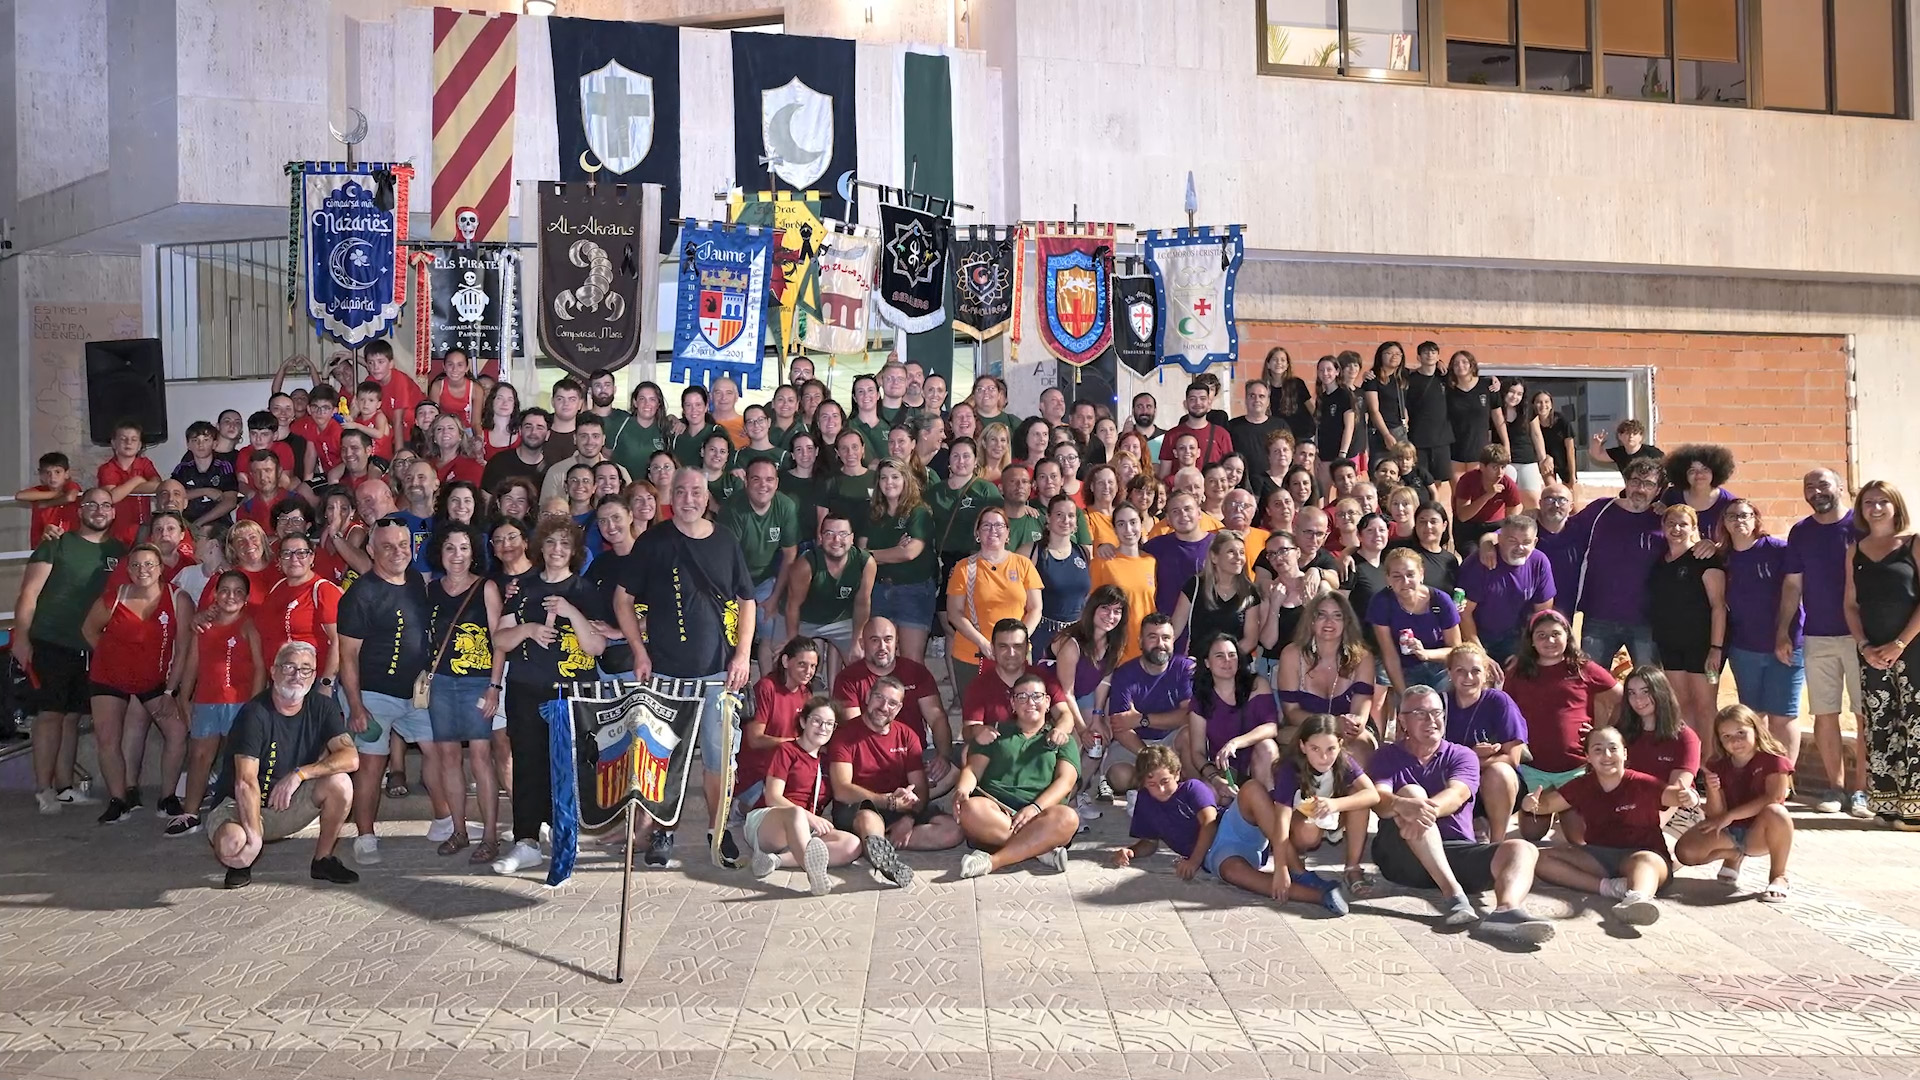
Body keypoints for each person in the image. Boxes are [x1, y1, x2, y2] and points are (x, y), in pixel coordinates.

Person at [616, 468, 757, 869]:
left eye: (697, 491)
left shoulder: (725, 540)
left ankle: (718, 829)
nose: (689, 499)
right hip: (666, 673)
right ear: (671, 496)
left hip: (717, 672)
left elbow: (747, 600)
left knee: (719, 760)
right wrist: (639, 652)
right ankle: (664, 830)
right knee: (664, 758)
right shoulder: (652, 542)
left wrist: (742, 655)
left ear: (707, 496)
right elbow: (622, 599)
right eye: (681, 492)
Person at [1367, 685, 1555, 942]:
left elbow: (1457, 795)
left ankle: (1506, 911)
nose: (1431, 720)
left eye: (1437, 713)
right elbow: (1379, 799)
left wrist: (1422, 812)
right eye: (1420, 713)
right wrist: (1403, 804)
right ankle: (1454, 895)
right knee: (1412, 792)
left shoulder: (1462, 754)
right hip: (1401, 854)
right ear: (1402, 720)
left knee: (1523, 849)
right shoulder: (1386, 755)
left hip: (1456, 851)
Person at [491, 518, 605, 874]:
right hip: (526, 688)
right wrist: (529, 629)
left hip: (570, 694)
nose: (557, 550)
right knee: (527, 764)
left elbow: (597, 647)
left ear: (575, 552)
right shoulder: (523, 587)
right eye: (551, 542)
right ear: (540, 546)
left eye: (565, 544)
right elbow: (499, 639)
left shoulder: (585, 590)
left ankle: (563, 833)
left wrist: (570, 612)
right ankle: (526, 841)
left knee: (567, 765)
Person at [204, 642, 360, 889]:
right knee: (233, 843)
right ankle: (241, 864)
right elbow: (245, 782)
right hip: (239, 806)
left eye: (305, 669)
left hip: (286, 802)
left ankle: (323, 859)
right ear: (273, 671)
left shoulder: (322, 707)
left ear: (313, 676)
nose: (297, 675)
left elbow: (350, 758)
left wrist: (300, 774)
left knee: (341, 783)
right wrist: (254, 839)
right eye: (289, 667)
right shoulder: (254, 713)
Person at [335, 517, 433, 866]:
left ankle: (445, 822)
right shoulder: (359, 595)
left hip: (415, 694)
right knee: (372, 768)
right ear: (371, 549)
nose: (397, 552)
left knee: (440, 753)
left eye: (403, 545)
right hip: (372, 695)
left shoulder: (416, 581)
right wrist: (356, 706)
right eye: (387, 546)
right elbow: (347, 656)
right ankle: (365, 836)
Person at [17, 489, 121, 814]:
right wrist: (21, 637)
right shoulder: (56, 543)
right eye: (92, 504)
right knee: (50, 714)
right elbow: (29, 592)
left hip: (90, 647)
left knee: (72, 716)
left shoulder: (119, 551)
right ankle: (44, 789)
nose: (99, 510)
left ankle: (64, 788)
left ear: (113, 512)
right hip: (52, 640)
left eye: (106, 505)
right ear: (80, 510)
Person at [1524, 726, 1683, 925]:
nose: (1606, 755)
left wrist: (1687, 796)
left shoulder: (1642, 783)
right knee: (1540, 858)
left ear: (1625, 753)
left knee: (1645, 862)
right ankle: (1610, 888)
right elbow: (1546, 805)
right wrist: (1530, 804)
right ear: (1588, 757)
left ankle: (1637, 899)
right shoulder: (1582, 785)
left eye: (1613, 748)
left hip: (1645, 854)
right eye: (1598, 750)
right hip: (1599, 856)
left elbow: (1672, 795)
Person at [80, 544, 192, 823]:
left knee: (177, 732)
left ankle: (167, 797)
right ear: (128, 570)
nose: (143, 570)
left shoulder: (178, 599)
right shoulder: (115, 597)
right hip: (108, 678)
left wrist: (170, 691)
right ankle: (119, 800)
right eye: (136, 565)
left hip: (154, 681)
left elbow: (182, 650)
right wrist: (112, 657)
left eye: (149, 564)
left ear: (160, 568)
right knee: (108, 739)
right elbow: (89, 629)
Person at [1783, 468, 1868, 817]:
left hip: (1861, 637)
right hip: (1817, 635)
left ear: (1840, 487)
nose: (1816, 491)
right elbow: (1792, 586)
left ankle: (1861, 791)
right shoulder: (1801, 532)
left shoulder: (1861, 527)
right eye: (1809, 486)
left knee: (1864, 715)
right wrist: (1784, 631)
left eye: (1823, 484)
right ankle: (1835, 788)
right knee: (1825, 713)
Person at [826, 676, 962, 885]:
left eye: (892, 703)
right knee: (868, 819)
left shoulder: (907, 735)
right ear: (868, 697)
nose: (883, 707)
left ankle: (880, 844)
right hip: (860, 806)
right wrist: (887, 800)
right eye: (879, 698)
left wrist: (908, 819)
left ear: (899, 708)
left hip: (899, 807)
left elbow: (920, 789)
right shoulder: (844, 735)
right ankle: (883, 858)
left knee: (953, 830)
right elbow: (842, 789)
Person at [422, 523, 503, 863]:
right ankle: (459, 830)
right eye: (450, 548)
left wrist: (494, 686)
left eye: (464, 548)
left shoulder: (486, 588)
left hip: (477, 682)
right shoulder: (431, 589)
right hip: (441, 682)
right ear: (440, 552)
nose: (457, 555)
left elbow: (499, 641)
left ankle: (490, 836)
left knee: (481, 756)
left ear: (474, 553)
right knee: (448, 757)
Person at [1503, 610, 1620, 841]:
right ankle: (1550, 806)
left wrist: (1602, 732)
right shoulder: (1518, 672)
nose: (1549, 640)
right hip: (1534, 768)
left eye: (1556, 634)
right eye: (1542, 635)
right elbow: (1506, 711)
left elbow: (1621, 698)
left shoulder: (1583, 668)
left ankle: (1566, 809)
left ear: (1568, 636)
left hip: (1575, 769)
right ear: (1531, 641)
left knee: (1580, 838)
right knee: (1531, 833)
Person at [955, 670, 1080, 877]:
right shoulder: (994, 732)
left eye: (1037, 696)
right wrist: (962, 789)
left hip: (1042, 813)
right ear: (1012, 703)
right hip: (997, 812)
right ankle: (1039, 848)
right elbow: (973, 769)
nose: (1030, 702)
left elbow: (1065, 782)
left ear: (1048, 702)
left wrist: (1035, 808)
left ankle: (993, 861)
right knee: (970, 809)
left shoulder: (1062, 739)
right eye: (1022, 696)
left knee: (1068, 818)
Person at [1243, 713, 1380, 903]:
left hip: (1330, 814)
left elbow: (1373, 794)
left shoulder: (1344, 760)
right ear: (1303, 746)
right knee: (1309, 831)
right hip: (1299, 822)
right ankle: (1297, 856)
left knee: (1360, 800)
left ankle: (1352, 868)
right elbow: (1281, 820)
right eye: (1315, 749)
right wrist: (1281, 869)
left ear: (1340, 744)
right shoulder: (1290, 768)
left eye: (1331, 749)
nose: (1324, 757)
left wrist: (1335, 804)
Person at [1846, 480, 1920, 826]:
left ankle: (1915, 809)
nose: (1875, 508)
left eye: (1883, 502)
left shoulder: (1913, 544)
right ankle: (1886, 804)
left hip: (1913, 649)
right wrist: (1864, 646)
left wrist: (1900, 644)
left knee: (1915, 724)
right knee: (1879, 724)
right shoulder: (1855, 551)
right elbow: (1850, 604)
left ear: (1895, 506)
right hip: (1872, 652)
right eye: (1868, 502)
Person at [1675, 704, 1796, 902]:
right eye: (1727, 736)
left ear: (1755, 729)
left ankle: (1779, 875)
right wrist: (1713, 789)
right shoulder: (1717, 764)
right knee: (1686, 852)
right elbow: (1716, 814)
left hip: (1761, 833)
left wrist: (1730, 816)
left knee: (1777, 812)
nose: (1735, 741)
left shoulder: (1774, 760)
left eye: (1741, 733)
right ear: (1720, 740)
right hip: (1730, 831)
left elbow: (1773, 798)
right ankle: (1734, 856)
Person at [747, 696, 862, 895]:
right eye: (817, 721)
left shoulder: (828, 761)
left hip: (806, 828)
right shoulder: (786, 750)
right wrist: (809, 817)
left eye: (829, 724)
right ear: (803, 722)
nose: (823, 728)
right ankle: (814, 875)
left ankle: (776, 860)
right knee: (796, 813)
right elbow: (773, 796)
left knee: (852, 844)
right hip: (770, 822)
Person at [1720, 498, 1805, 761]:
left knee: (1783, 716)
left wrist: (1784, 635)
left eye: (1745, 515)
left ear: (1756, 519)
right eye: (1732, 516)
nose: (1738, 521)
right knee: (1753, 717)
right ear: (1724, 523)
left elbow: (1794, 590)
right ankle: (1761, 774)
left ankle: (1785, 776)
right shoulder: (1723, 558)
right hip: (1744, 648)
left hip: (1785, 645)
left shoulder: (1778, 550)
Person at [1567, 457, 1666, 668]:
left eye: (1648, 484)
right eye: (1635, 481)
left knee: (1650, 683)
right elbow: (1561, 532)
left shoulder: (1665, 521)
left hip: (1646, 621)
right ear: (1626, 482)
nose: (1640, 489)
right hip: (1599, 616)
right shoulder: (1600, 510)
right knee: (1592, 681)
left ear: (1658, 490)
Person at [834, 618, 953, 789]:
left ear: (897, 641)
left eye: (888, 639)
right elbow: (856, 730)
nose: (882, 647)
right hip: (871, 763)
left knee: (955, 769)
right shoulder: (848, 678)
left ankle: (905, 795)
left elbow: (937, 718)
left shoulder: (916, 672)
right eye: (874, 640)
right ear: (862, 644)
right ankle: (900, 796)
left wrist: (943, 756)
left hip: (914, 757)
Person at [944, 506, 1041, 700]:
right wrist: (983, 642)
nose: (992, 531)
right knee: (976, 713)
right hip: (973, 654)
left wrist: (1019, 640)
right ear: (977, 533)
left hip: (1015, 654)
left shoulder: (1023, 565)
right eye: (986, 526)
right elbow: (954, 613)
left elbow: (1035, 608)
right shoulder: (964, 568)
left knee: (1018, 708)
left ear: (1007, 532)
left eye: (998, 525)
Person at [1648, 504, 1727, 737]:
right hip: (1670, 644)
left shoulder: (1705, 559)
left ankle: (1710, 757)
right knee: (1681, 704)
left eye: (1683, 524)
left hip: (1702, 645)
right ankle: (1693, 756)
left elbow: (1719, 607)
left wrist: (1716, 648)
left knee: (1705, 707)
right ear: (1663, 526)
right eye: (1671, 523)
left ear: (1694, 528)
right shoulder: (1660, 562)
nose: (1676, 529)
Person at [1441, 643, 1529, 844]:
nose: (1468, 677)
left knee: (1499, 772)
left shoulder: (1499, 701)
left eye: (1475, 671)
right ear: (1450, 673)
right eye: (1460, 671)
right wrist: (1471, 755)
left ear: (1486, 673)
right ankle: (1467, 826)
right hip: (1455, 782)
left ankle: (1496, 843)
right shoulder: (1440, 703)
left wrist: (1471, 761)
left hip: (1496, 784)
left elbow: (1512, 758)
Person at [1275, 593, 1378, 762]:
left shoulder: (1363, 658)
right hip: (1305, 728)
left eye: (1337, 616)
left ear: (1347, 622)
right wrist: (1333, 724)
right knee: (1307, 744)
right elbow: (1291, 712)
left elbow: (1360, 715)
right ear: (1311, 620)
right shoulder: (1291, 654)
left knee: (1360, 746)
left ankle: (1356, 780)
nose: (1329, 622)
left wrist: (1351, 724)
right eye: (1322, 615)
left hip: (1349, 733)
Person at [1101, 615, 1195, 795]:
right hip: (1136, 744)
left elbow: (1188, 715)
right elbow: (1120, 727)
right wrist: (1149, 757)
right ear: (1140, 641)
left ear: (1173, 641)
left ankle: (1191, 790)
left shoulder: (1184, 667)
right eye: (1153, 637)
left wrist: (1142, 719)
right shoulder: (1124, 674)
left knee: (1190, 735)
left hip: (1172, 739)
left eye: (1166, 638)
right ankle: (1162, 784)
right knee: (1119, 777)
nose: (1160, 644)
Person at [719, 458, 799, 668]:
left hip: (765, 579)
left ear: (777, 482)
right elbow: (727, 559)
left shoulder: (786, 506)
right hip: (732, 581)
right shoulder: (733, 508)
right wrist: (744, 601)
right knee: (732, 632)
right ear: (746, 481)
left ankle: (767, 683)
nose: (763, 485)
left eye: (769, 479)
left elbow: (790, 554)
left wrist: (774, 597)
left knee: (770, 629)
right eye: (756, 479)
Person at [862, 459, 938, 665]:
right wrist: (893, 551)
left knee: (911, 660)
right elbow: (860, 554)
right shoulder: (874, 513)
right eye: (884, 478)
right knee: (880, 658)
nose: (889, 482)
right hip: (878, 591)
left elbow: (909, 553)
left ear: (906, 480)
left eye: (895, 477)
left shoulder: (918, 512)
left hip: (913, 591)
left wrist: (871, 555)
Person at [783, 513, 874, 683]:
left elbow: (862, 604)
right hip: (805, 620)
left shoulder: (865, 562)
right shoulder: (806, 564)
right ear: (820, 537)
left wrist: (857, 639)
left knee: (861, 663)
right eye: (829, 533)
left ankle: (849, 699)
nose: (836, 540)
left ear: (852, 538)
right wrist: (792, 643)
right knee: (785, 661)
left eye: (843, 534)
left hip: (841, 620)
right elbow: (793, 606)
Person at [1457, 514, 1556, 664]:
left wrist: (1525, 652)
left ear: (1535, 542)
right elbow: (1464, 613)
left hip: (1518, 637)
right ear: (1500, 539)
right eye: (1512, 541)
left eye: (1526, 542)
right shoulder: (1479, 563)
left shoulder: (1539, 562)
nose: (1520, 548)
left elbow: (1542, 613)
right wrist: (1481, 656)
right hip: (1479, 636)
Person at [1191, 634, 1280, 794]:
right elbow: (1197, 752)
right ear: (1207, 663)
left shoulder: (1257, 685)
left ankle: (1269, 800)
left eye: (1232, 655)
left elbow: (1271, 727)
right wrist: (1215, 780)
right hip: (1223, 770)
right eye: (1220, 656)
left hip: (1255, 764)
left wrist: (1236, 743)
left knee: (1267, 746)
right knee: (1208, 792)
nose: (1227, 660)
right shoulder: (1201, 698)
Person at [1370, 547, 1462, 700]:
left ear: (1421, 574)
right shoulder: (1381, 602)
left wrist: (1425, 654)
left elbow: (1456, 650)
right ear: (1388, 579)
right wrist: (1404, 696)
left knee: (1440, 708)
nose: (1405, 582)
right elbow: (1390, 655)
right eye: (1397, 576)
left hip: (1440, 668)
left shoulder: (1440, 600)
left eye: (1410, 574)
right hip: (1404, 668)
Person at [1616, 666, 1703, 827]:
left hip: (1675, 812)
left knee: (1652, 845)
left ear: (1661, 692)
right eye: (1631, 693)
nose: (1638, 699)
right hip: (1627, 807)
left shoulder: (1685, 737)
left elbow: (1676, 792)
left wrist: (1656, 825)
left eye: (1646, 691)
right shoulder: (1620, 732)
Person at [1170, 531, 1260, 665]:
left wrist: (1225, 660)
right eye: (1231, 552)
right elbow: (1174, 630)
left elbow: (1250, 640)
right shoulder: (1195, 585)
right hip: (1200, 666)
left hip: (1234, 667)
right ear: (1214, 557)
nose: (1238, 557)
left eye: (1241, 552)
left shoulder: (1249, 592)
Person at [1451, 444, 1520, 553]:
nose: (1500, 473)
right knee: (1472, 554)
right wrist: (1487, 495)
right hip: (1469, 527)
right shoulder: (1467, 480)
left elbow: (1511, 515)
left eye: (1503, 467)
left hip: (1494, 527)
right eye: (1495, 468)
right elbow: (1463, 516)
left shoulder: (1508, 484)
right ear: (1482, 467)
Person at [1661, 444, 1738, 541]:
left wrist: (1716, 546)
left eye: (1705, 469)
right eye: (1692, 471)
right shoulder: (1672, 495)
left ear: (1715, 472)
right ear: (1683, 475)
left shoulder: (1728, 503)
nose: (1699, 475)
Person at [480, 407, 552, 493]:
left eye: (539, 428)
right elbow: (486, 497)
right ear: (520, 431)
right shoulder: (499, 462)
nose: (533, 432)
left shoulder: (551, 469)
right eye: (528, 427)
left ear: (548, 435)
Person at [1587, 417, 1664, 476]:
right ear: (1620, 436)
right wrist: (1596, 443)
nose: (1631, 436)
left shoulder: (1652, 453)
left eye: (1635, 433)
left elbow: (1665, 469)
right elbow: (1597, 455)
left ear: (1641, 437)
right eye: (1627, 433)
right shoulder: (1619, 453)